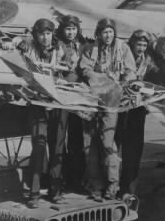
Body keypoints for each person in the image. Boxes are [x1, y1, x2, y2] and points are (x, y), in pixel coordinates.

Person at [9, 18, 65, 208]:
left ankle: (55, 191)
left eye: (48, 33)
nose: (45, 37)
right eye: (41, 33)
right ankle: (33, 193)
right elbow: (11, 43)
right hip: (37, 104)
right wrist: (18, 42)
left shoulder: (61, 49)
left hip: (58, 104)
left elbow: (72, 71)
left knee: (57, 149)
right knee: (38, 148)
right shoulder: (28, 46)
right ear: (35, 34)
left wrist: (65, 79)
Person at [78, 18, 136, 200]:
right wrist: (101, 78)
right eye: (104, 32)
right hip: (92, 99)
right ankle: (95, 185)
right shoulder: (90, 49)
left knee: (107, 141)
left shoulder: (123, 48)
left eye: (110, 32)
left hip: (112, 99)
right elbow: (84, 69)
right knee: (89, 144)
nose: (108, 35)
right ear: (99, 33)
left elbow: (130, 71)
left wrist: (120, 83)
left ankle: (113, 183)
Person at [115, 29, 160, 199]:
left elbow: (156, 80)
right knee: (113, 148)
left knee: (133, 152)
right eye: (138, 44)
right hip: (119, 109)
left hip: (137, 112)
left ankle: (128, 190)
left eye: (144, 45)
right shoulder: (122, 56)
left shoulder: (149, 62)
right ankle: (111, 185)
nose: (140, 48)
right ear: (132, 43)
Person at [54, 15, 87, 194]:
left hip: (78, 96)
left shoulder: (83, 46)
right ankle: (57, 180)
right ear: (62, 29)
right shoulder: (56, 45)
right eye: (68, 29)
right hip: (60, 96)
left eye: (74, 29)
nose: (71, 32)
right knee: (59, 139)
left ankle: (76, 179)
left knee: (76, 139)